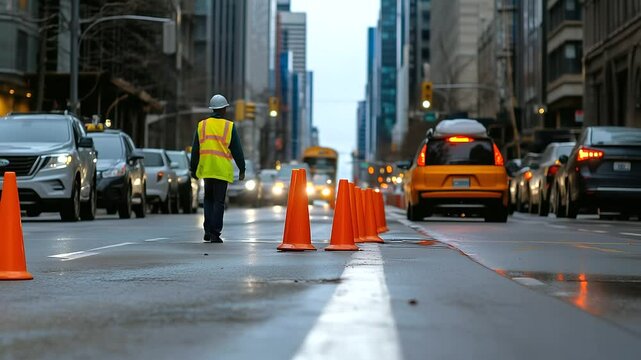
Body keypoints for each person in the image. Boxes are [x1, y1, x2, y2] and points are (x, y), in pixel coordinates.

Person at [190, 94, 245, 243]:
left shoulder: (202, 125)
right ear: (225, 109)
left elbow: (195, 149)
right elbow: (237, 151)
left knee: (208, 200)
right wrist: (242, 169)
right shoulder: (229, 126)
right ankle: (215, 233)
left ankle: (207, 230)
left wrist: (192, 169)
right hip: (221, 171)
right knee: (219, 202)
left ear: (212, 109)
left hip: (207, 169)